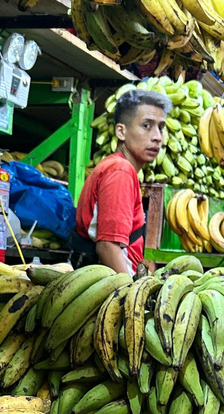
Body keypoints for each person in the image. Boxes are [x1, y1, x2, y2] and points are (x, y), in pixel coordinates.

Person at [70, 89, 171, 275]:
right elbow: (108, 246)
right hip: (115, 289)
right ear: (121, 131)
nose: (157, 136)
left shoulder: (118, 168)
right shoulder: (120, 171)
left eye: (161, 127)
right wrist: (129, 296)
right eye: (147, 125)